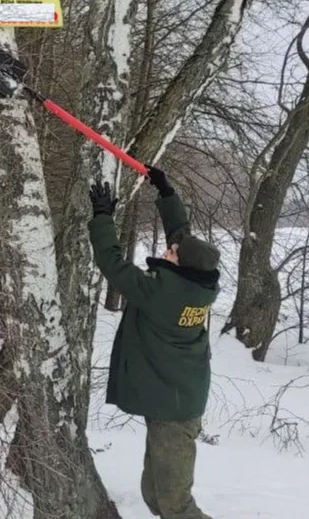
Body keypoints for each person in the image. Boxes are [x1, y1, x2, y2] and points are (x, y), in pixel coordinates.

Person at [87, 165, 221, 519]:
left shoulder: (160, 293)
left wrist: (102, 217)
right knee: (154, 495)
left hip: (174, 409)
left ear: (181, 267)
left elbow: (112, 263)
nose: (167, 251)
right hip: (175, 399)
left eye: (172, 253)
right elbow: (183, 238)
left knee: (176, 507)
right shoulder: (200, 286)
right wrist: (165, 191)